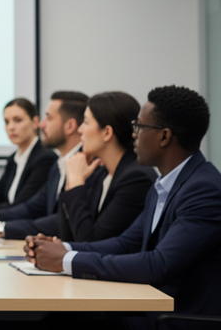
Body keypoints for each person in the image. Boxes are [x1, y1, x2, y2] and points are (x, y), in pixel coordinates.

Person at [26, 85, 221, 329]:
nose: (134, 134)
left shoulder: (204, 190)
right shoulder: (164, 184)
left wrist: (67, 260)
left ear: (164, 137)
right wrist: (61, 247)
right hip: (149, 308)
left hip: (176, 319)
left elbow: (158, 264)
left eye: (140, 126)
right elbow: (126, 243)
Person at [0, 91, 88, 239]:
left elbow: (61, 221)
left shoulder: (86, 165)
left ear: (70, 126)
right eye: (7, 122)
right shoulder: (59, 164)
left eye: (48, 118)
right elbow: (33, 206)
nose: (42, 124)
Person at [58, 92, 156, 242]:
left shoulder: (136, 179)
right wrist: (71, 184)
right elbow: (71, 238)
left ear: (107, 132)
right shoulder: (102, 174)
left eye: (86, 122)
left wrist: (76, 182)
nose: (80, 130)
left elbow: (90, 241)